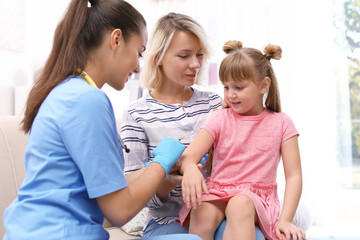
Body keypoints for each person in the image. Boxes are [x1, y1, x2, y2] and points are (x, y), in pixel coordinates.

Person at [2, 1, 200, 240]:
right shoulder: (87, 100)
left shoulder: (69, 92)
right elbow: (120, 210)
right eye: (138, 53)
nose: (138, 67)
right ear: (116, 39)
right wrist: (163, 158)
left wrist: (161, 169)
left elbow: (110, 183)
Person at [120, 13, 266, 239]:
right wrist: (166, 179)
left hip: (217, 213)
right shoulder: (137, 114)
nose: (196, 64)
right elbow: (130, 192)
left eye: (199, 55)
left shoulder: (217, 103)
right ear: (158, 58)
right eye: (184, 55)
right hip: (167, 221)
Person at [179, 40, 306, 240]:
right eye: (226, 87)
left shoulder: (282, 123)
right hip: (219, 190)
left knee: (239, 204)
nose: (231, 95)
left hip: (255, 197)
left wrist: (285, 219)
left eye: (238, 87)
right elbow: (188, 157)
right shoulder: (219, 118)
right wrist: (190, 170)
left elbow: (294, 176)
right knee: (201, 208)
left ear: (264, 85)